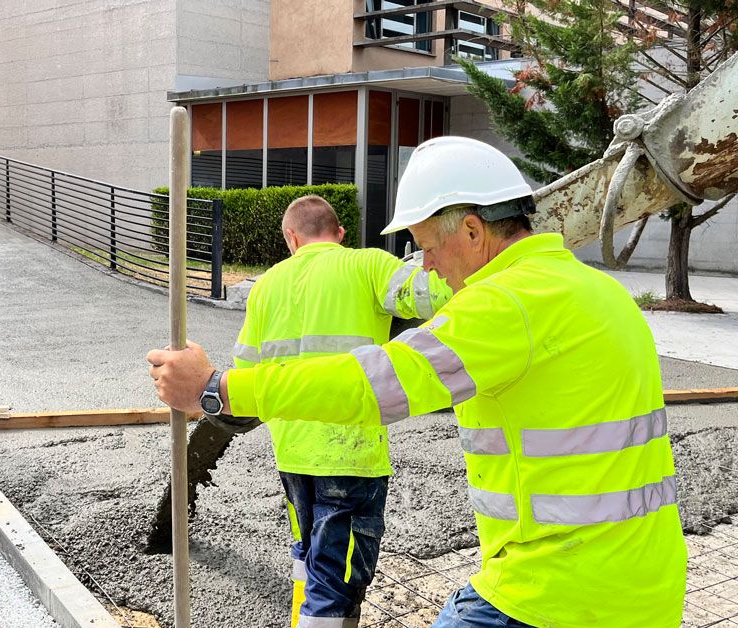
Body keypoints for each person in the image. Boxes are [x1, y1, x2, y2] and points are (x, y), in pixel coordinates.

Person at [148, 136, 686, 627]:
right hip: (647, 585)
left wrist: (218, 388)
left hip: (555, 592)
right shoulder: (602, 292)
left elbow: (376, 385)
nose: (425, 265)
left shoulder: (503, 303)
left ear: (473, 230)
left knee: (318, 570)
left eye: (427, 245)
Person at [226, 194, 450, 627]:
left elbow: (245, 376)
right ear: (340, 233)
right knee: (338, 580)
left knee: (308, 554)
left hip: (292, 453)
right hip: (352, 454)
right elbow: (432, 293)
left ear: (291, 237)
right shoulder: (365, 264)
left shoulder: (266, 284)